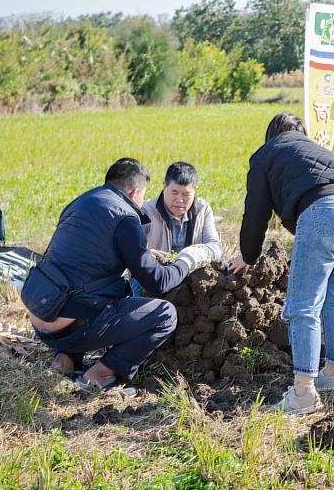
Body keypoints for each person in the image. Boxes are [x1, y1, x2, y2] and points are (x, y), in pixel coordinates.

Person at [228, 113, 334, 415]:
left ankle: (303, 392)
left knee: (303, 304)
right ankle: (333, 374)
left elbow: (255, 215)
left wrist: (248, 255)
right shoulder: (314, 151)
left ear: (271, 135)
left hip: (324, 210)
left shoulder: (266, 154)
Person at [21, 158, 205, 391]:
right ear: (134, 192)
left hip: (40, 316)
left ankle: (65, 361)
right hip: (71, 327)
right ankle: (100, 374)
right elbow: (158, 282)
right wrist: (185, 262)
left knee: (92, 284)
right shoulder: (125, 218)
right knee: (165, 314)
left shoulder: (80, 202)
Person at [141, 161, 221, 264]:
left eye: (186, 194)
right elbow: (132, 249)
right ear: (164, 186)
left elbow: (215, 247)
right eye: (174, 192)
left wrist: (192, 254)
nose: (180, 200)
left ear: (195, 190)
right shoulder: (146, 212)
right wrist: (149, 255)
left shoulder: (202, 210)